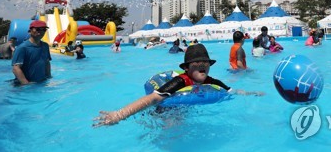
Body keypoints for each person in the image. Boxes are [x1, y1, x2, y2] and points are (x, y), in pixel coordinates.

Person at [93, 44, 263, 127]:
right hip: (167, 108)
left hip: (187, 103)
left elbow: (231, 91)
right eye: (197, 62)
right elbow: (152, 98)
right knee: (173, 126)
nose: (202, 65)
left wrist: (252, 93)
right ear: (187, 68)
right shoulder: (181, 81)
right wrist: (119, 114)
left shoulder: (212, 82)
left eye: (205, 62)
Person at [11, 20, 51, 85]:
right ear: (30, 31)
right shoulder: (22, 48)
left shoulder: (45, 46)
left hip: (41, 83)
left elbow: (47, 62)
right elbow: (16, 68)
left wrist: (48, 77)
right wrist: (26, 84)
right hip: (25, 84)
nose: (41, 32)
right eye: (38, 29)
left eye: (44, 29)